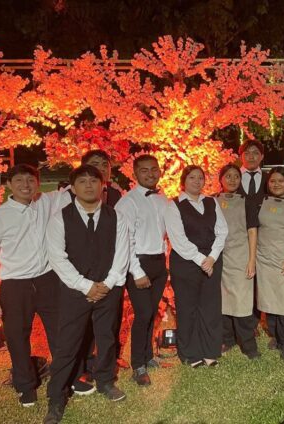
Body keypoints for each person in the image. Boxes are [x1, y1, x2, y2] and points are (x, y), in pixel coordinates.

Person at [44, 165, 129, 423]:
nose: (89, 185)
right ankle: (57, 396)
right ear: (73, 187)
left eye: (94, 180)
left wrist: (107, 284)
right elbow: (57, 258)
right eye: (82, 181)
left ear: (103, 185)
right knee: (67, 343)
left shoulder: (117, 217)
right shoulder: (60, 218)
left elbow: (122, 253)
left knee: (107, 337)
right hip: (74, 291)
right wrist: (86, 286)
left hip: (108, 289)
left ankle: (105, 380)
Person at [0, 164, 60, 407]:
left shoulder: (46, 203)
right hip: (15, 285)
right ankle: (25, 386)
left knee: (60, 331)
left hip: (47, 279)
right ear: (9, 184)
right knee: (17, 337)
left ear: (37, 183)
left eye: (31, 180)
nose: (26, 185)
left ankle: (64, 377)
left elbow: (74, 189)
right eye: (19, 180)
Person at [164, 165, 228, 368]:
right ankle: (191, 353)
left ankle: (210, 351)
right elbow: (178, 239)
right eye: (192, 177)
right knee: (187, 308)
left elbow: (222, 231)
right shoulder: (173, 205)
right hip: (186, 263)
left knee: (210, 307)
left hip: (212, 261)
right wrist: (201, 260)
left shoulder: (211, 201)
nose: (197, 181)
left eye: (200, 177)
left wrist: (212, 258)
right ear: (183, 181)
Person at [114, 155, 168, 385]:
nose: (150, 174)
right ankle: (138, 365)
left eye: (154, 169)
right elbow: (125, 239)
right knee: (143, 313)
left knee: (151, 312)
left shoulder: (162, 200)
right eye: (144, 170)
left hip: (159, 263)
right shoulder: (127, 203)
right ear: (135, 174)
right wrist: (137, 272)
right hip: (138, 264)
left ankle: (148, 356)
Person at [253, 167, 284, 359]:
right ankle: (275, 335)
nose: (276, 184)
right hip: (264, 259)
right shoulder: (260, 202)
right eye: (272, 181)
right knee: (269, 299)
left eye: (281, 181)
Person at [215, 164, 260, 359]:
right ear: (221, 179)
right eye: (228, 176)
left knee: (242, 302)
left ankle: (248, 345)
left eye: (236, 176)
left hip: (241, 256)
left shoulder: (247, 201)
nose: (232, 180)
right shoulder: (213, 201)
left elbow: (252, 231)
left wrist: (251, 260)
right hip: (220, 257)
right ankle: (228, 339)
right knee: (223, 300)